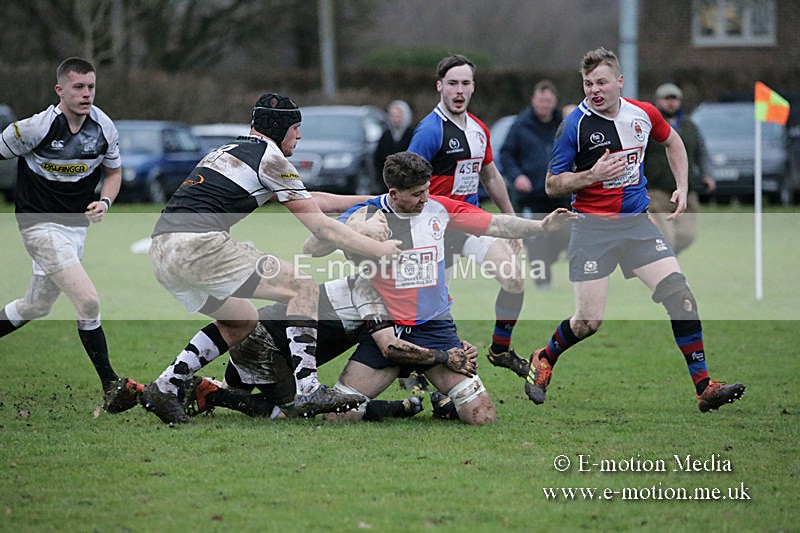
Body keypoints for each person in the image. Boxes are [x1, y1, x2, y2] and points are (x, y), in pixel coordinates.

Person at [140, 92, 402, 424]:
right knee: (302, 286)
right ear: (279, 129)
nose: (300, 136)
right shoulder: (270, 157)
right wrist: (380, 250)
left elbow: (311, 199)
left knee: (241, 320)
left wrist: (374, 199)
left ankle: (165, 386)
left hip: (162, 250)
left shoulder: (230, 150)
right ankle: (309, 388)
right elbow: (322, 227)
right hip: (198, 245)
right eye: (296, 128)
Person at [524, 48, 745, 412]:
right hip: (592, 230)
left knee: (681, 296)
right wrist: (590, 176)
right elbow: (551, 184)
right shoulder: (574, 126)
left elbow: (673, 141)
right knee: (588, 322)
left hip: (638, 225)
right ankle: (545, 357)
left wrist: (683, 186)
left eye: (601, 82)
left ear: (619, 81)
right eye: (588, 83)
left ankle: (704, 386)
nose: (594, 89)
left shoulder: (643, 113)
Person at [304, 151, 576, 424]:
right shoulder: (367, 214)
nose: (425, 198)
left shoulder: (439, 208)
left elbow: (496, 224)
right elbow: (313, 248)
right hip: (387, 330)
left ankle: (442, 400)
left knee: (483, 417)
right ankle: (391, 406)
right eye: (417, 194)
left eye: (427, 190)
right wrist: (359, 231)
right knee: (335, 418)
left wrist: (541, 226)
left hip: (434, 329)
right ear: (395, 193)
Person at [0, 57, 143, 413]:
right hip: (38, 226)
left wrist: (105, 202)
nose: (86, 94)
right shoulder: (34, 128)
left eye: (91, 87)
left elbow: (113, 173)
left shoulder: (103, 127)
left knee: (36, 305)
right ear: (60, 90)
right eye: (78, 87)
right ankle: (111, 385)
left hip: (75, 230)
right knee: (88, 300)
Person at [180, 275, 477, 422]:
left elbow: (410, 333)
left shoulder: (386, 294)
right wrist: (443, 356)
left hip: (269, 339)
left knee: (239, 388)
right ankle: (214, 395)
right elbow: (390, 348)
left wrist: (451, 346)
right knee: (295, 412)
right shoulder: (370, 291)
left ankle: (170, 389)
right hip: (265, 345)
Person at [408, 54, 530, 379]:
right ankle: (416, 368)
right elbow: (405, 182)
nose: (458, 90)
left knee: (514, 279)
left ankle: (500, 349)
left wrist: (512, 221)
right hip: (432, 229)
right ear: (439, 87)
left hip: (471, 223)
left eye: (465, 83)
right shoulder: (429, 131)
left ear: (473, 87)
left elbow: (491, 176)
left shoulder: (479, 130)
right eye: (452, 84)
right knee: (428, 305)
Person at [499, 80, 571, 289]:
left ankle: (548, 261)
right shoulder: (520, 126)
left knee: (564, 235)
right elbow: (506, 155)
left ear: (554, 102)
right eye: (540, 100)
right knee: (537, 239)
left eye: (548, 101)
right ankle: (543, 282)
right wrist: (517, 176)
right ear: (533, 101)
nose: (544, 105)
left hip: (559, 194)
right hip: (531, 196)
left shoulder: (563, 124)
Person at [645, 82, 715, 255]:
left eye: (674, 99)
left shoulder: (690, 126)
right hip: (657, 190)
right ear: (657, 101)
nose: (671, 103)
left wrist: (708, 175)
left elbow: (702, 152)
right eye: (667, 99)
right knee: (665, 236)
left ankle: (664, 260)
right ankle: (665, 266)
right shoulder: (647, 125)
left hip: (686, 191)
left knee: (688, 235)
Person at [373, 100, 414, 194]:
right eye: (393, 116)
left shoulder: (412, 134)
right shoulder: (386, 135)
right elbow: (378, 158)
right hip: (387, 182)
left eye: (398, 116)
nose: (396, 119)